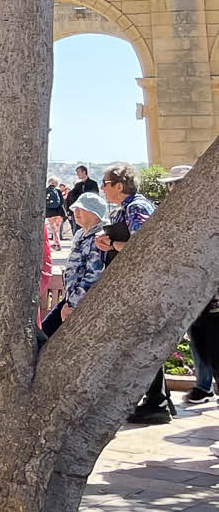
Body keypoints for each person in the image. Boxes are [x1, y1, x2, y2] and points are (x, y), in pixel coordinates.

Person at [95, 164, 164, 422]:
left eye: (105, 183)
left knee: (143, 343)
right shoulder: (125, 208)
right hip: (132, 285)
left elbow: (142, 246)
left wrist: (112, 243)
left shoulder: (136, 207)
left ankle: (156, 401)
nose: (102, 188)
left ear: (119, 186)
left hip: (142, 286)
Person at [40, 192, 108, 337]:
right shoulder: (79, 234)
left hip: (81, 301)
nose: (75, 212)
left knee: (45, 335)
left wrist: (73, 304)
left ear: (95, 213)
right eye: (75, 208)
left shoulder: (99, 237)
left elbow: (93, 274)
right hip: (70, 296)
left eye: (81, 209)